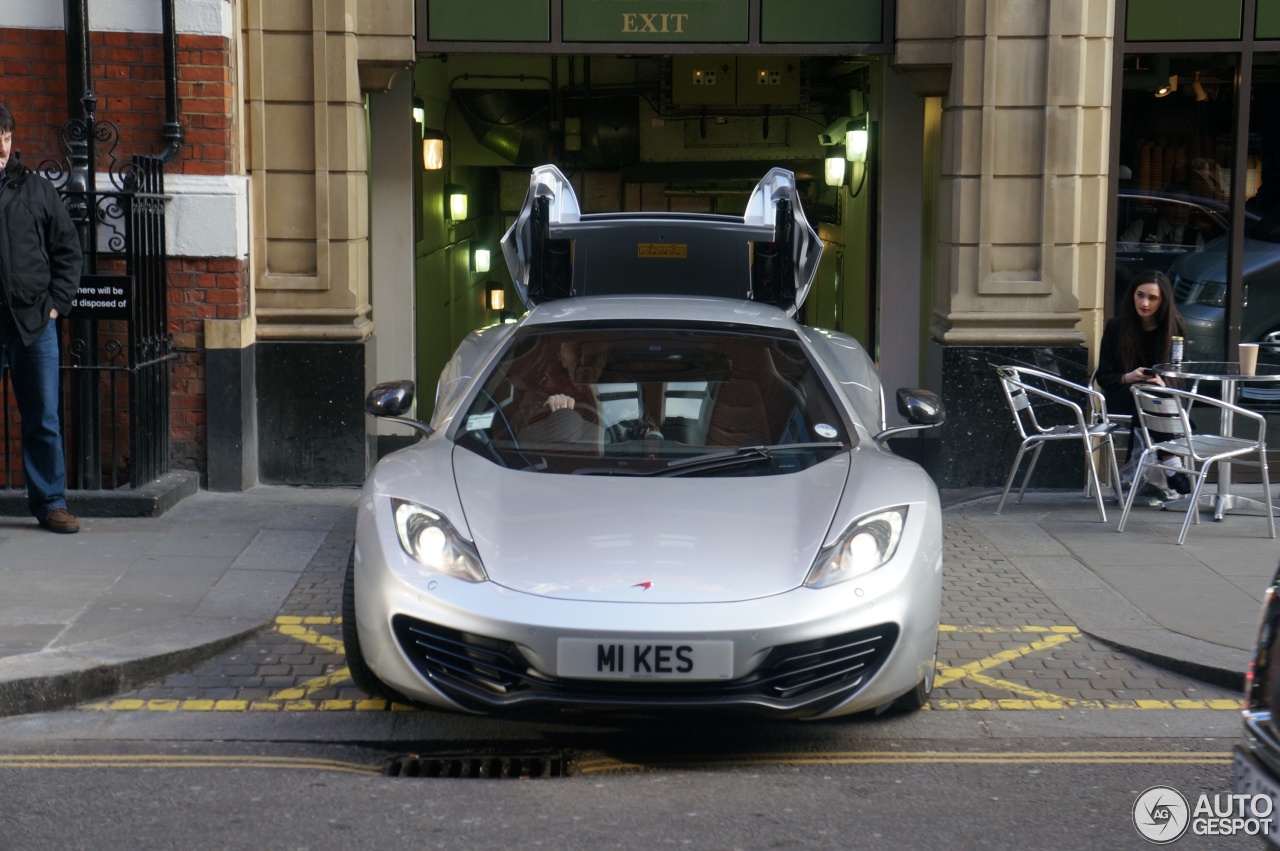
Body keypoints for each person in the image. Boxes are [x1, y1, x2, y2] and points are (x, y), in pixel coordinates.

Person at [0, 104, 83, 533]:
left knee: (43, 418)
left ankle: (51, 503)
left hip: (34, 322)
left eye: (7, 137)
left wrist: (56, 303)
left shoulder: (34, 189)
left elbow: (68, 248)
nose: (2, 146)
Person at [1094, 269, 1191, 506]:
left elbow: (1180, 377)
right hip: (1122, 394)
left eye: (1152, 298)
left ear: (1163, 301)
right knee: (1143, 396)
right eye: (1140, 295)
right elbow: (1103, 377)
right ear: (1132, 295)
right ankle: (1170, 461)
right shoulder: (1116, 327)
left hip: (1159, 397)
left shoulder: (1174, 328)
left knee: (1149, 397)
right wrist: (1129, 377)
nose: (1144, 303)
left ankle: (1133, 481)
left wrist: (1163, 382)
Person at [1118, 190, 1208, 252]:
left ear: (1191, 210)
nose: (1178, 211)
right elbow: (1120, 251)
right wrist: (1141, 250)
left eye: (1185, 206)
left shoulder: (1195, 237)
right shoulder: (1143, 226)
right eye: (1173, 205)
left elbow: (1197, 263)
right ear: (1164, 206)